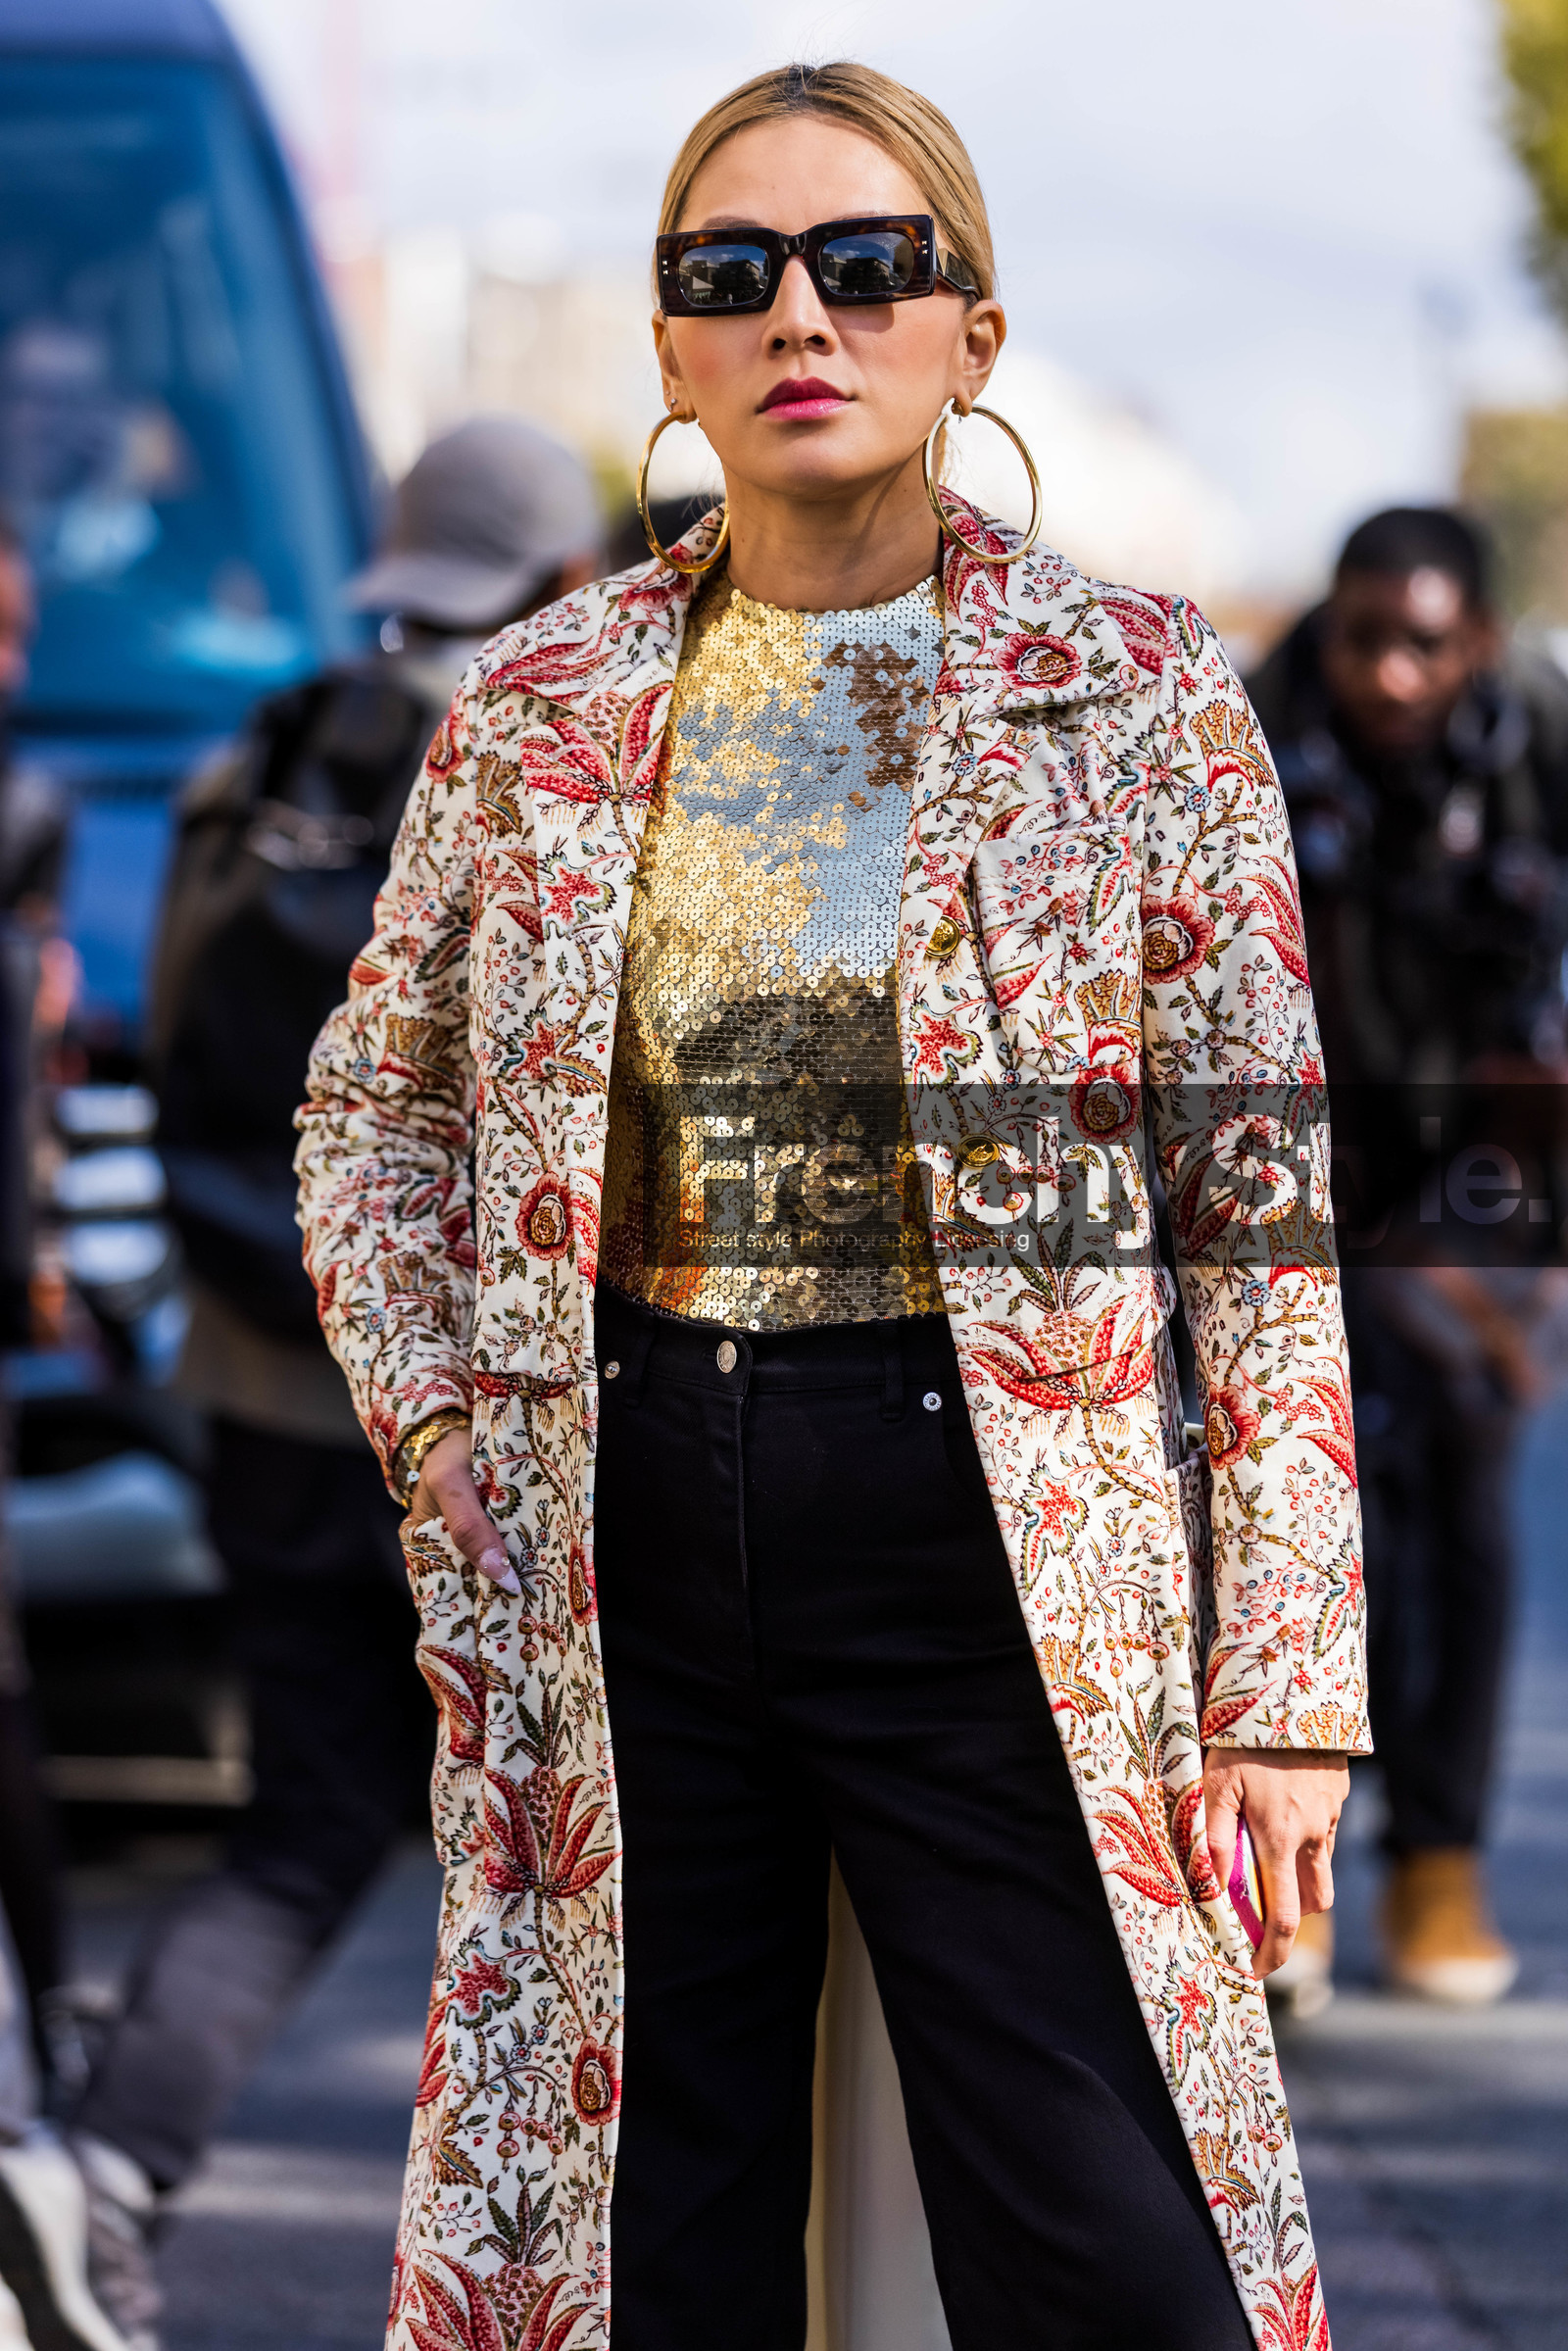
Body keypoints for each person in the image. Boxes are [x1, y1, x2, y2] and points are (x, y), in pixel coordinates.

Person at [297, 62, 1366, 2351]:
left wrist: (1283, 1681)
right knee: (629, 2234)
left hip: (1002, 1533)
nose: (802, 312)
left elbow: (1250, 1208)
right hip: (618, 1523)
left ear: (969, 333)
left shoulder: (1140, 695)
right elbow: (368, 1113)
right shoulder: (538, 707)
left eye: (866, 264)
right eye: (729, 273)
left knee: (1114, 2244)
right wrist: (441, 1432)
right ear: (669, 353)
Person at [66, 420, 602, 2349]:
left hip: (246, 1380)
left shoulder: (262, 749)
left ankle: (106, 2165)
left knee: (300, 1823)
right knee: (567, 1866)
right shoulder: (546, 770)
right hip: (468, 1426)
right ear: (555, 576)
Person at [1248, 506, 1568, 2009]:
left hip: (1482, 1166)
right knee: (1319, 1492)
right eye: (1366, 633)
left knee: (1472, 1474)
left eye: (1424, 642)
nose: (1388, 672)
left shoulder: (1534, 751)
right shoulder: (1248, 729)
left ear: (1479, 643)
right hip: (1288, 1170)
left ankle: (1438, 1863)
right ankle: (1291, 1873)